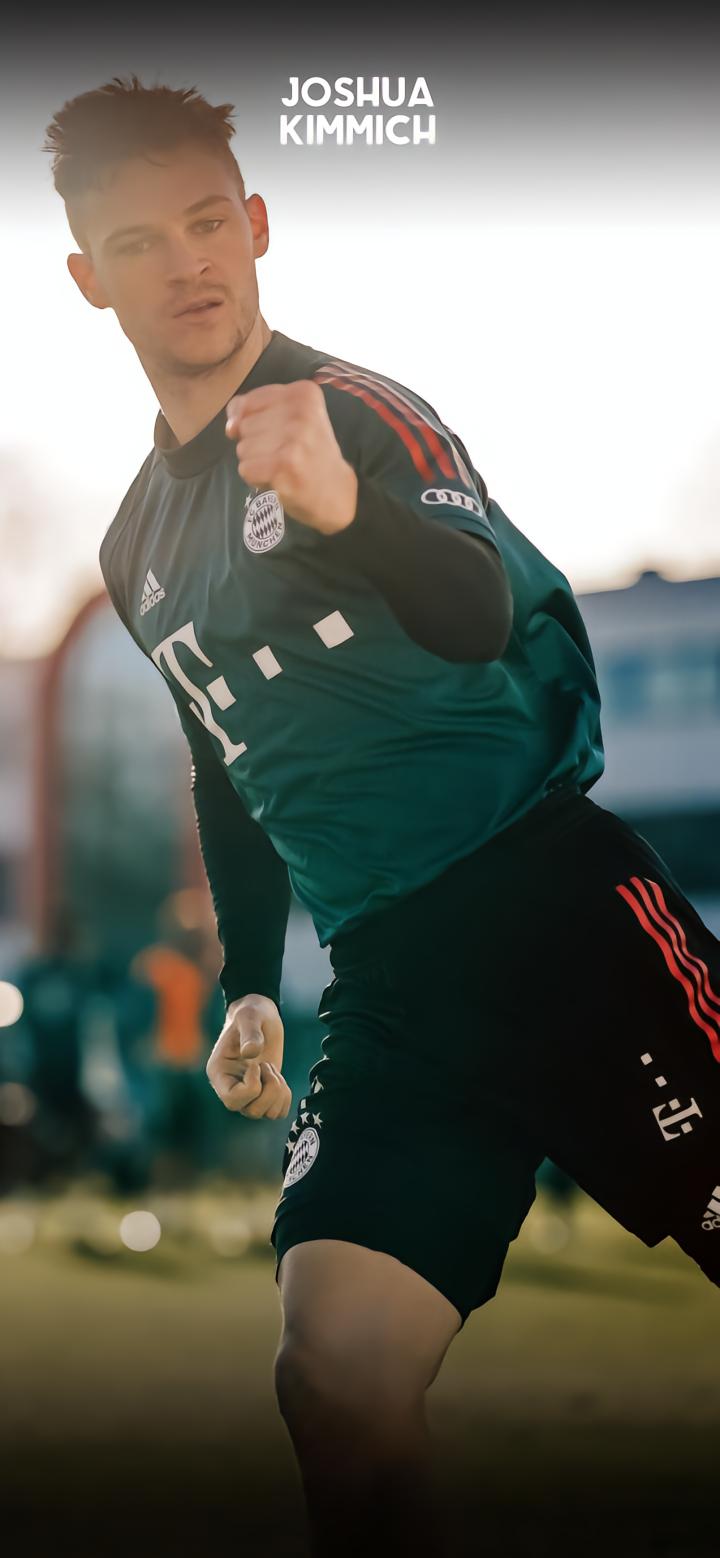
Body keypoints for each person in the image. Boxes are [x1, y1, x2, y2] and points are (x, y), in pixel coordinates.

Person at [45, 75, 720, 1557]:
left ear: (257, 223)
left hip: (560, 918)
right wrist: (247, 978)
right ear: (89, 277)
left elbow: (473, 613)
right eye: (141, 241)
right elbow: (225, 762)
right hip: (392, 988)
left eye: (208, 222)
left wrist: (349, 510)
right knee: (336, 1380)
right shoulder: (135, 543)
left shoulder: (352, 413)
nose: (188, 263)